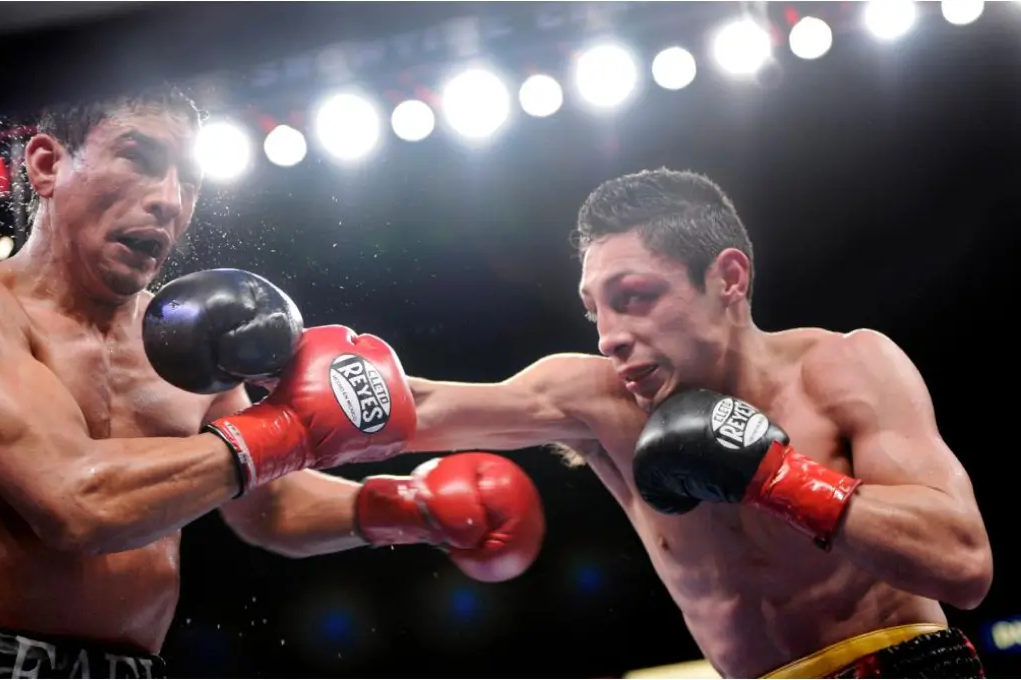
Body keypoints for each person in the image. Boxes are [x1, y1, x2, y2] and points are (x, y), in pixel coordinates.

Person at [0, 86, 545, 679]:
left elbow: (268, 506)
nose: (168, 200)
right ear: (47, 164)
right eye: (140, 157)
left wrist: (406, 508)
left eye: (189, 181)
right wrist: (288, 428)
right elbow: (76, 502)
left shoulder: (184, 340)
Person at [403, 169, 993, 678]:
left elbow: (964, 566)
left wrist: (778, 478)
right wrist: (316, 377)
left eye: (633, 296)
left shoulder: (844, 368)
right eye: (595, 311)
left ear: (729, 278)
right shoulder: (597, 402)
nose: (609, 336)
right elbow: (417, 409)